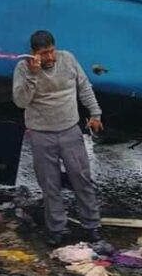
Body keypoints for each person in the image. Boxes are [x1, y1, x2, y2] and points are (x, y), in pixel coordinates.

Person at [12, 30, 103, 247]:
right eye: (44, 54)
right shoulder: (23, 68)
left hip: (70, 130)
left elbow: (84, 87)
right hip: (41, 134)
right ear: (34, 53)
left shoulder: (68, 59)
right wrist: (33, 75)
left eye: (52, 51)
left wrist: (95, 113)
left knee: (82, 178)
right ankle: (57, 230)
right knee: (49, 184)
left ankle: (92, 226)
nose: (50, 57)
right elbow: (20, 101)